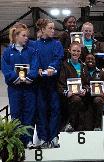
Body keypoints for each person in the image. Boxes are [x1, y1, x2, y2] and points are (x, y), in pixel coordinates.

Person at [1, 23, 38, 148]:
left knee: (29, 113)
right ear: (16, 36)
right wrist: (15, 78)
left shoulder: (32, 51)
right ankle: (17, 142)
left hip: (29, 88)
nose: (26, 38)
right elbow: (5, 69)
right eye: (24, 36)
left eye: (27, 36)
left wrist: (29, 77)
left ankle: (28, 141)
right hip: (14, 89)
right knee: (16, 114)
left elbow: (35, 66)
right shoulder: (7, 52)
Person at [35, 18, 64, 148]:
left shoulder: (57, 44)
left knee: (55, 109)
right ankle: (42, 138)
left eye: (53, 28)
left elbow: (58, 58)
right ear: (42, 29)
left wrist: (52, 68)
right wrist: (38, 68)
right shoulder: (34, 45)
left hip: (53, 83)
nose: (53, 30)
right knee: (41, 110)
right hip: (39, 84)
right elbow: (33, 59)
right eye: (50, 28)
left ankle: (53, 137)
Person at [57, 41, 89, 132]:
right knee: (76, 100)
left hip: (81, 96)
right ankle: (69, 124)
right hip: (68, 97)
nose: (76, 53)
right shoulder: (64, 65)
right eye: (74, 51)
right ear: (69, 51)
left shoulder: (83, 66)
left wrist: (85, 90)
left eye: (78, 51)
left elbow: (87, 84)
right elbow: (60, 84)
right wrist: (66, 92)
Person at [85, 53, 104, 130]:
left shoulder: (102, 73)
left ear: (95, 61)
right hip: (86, 99)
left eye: (92, 59)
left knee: (97, 100)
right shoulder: (81, 72)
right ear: (84, 61)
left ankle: (98, 126)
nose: (90, 60)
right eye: (88, 59)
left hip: (99, 99)